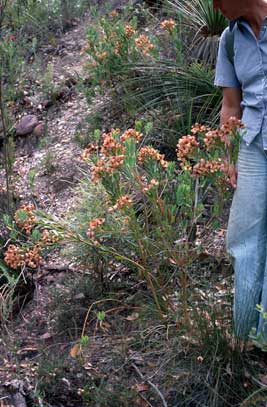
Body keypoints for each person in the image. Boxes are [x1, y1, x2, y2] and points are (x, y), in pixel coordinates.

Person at [214, 0, 267, 341]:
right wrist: (226, 154)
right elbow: (231, 104)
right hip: (252, 142)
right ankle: (245, 336)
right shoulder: (230, 39)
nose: (215, 7)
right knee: (243, 238)